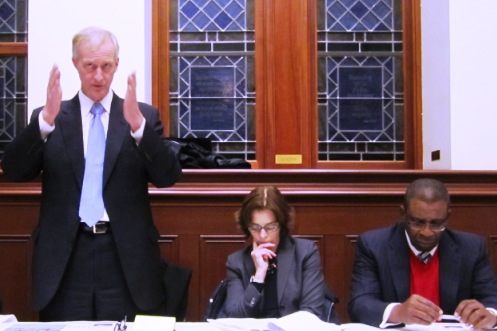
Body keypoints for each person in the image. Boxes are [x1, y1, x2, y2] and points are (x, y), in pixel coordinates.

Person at [0, 27, 181, 321]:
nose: (98, 76)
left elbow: (167, 177)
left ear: (117, 65)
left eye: (106, 66)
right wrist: (44, 122)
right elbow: (14, 170)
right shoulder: (50, 115)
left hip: (125, 260)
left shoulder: (142, 116)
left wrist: (138, 129)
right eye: (90, 66)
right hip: (66, 260)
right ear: (75, 64)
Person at [348, 178, 497, 329]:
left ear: (447, 217)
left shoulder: (471, 247)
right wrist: (398, 311)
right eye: (418, 222)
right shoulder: (373, 245)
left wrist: (490, 314)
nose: (427, 232)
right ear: (403, 214)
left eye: (436, 223)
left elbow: (492, 297)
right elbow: (360, 304)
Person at [220, 185, 336, 321]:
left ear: (281, 225)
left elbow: (311, 312)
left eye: (270, 227)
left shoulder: (305, 253)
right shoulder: (236, 262)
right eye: (255, 227)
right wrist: (258, 278)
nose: (263, 235)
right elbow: (234, 318)